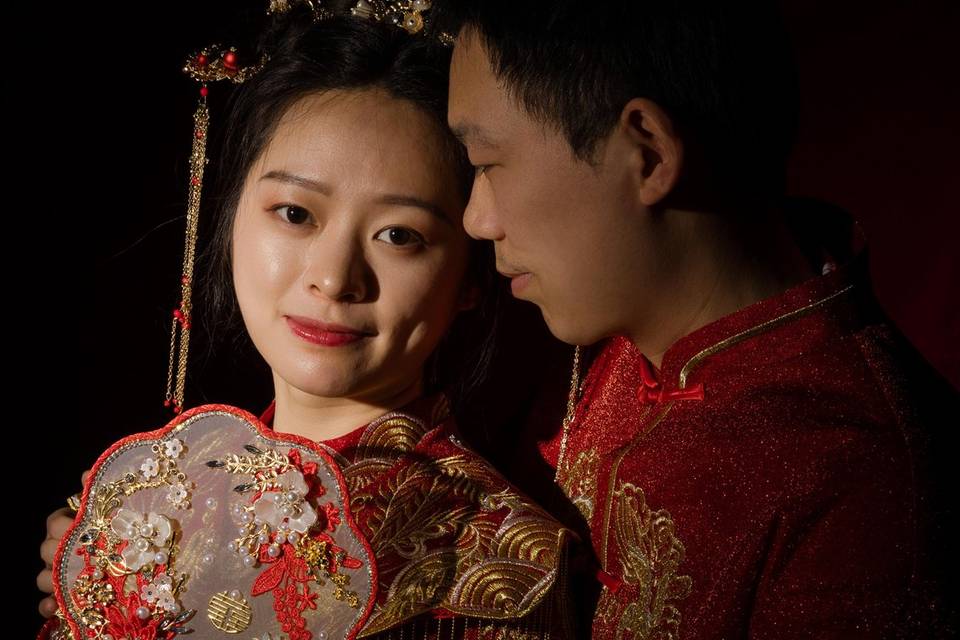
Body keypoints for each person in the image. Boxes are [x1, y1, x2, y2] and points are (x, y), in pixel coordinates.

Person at [37, 3, 572, 639]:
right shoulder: (142, 509)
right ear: (231, 215)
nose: (334, 277)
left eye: (399, 235)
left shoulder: (495, 564)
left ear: (471, 278)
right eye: (295, 214)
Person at [441, 0, 957, 637]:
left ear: (649, 155)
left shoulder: (861, 484)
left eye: (489, 164)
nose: (475, 220)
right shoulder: (611, 330)